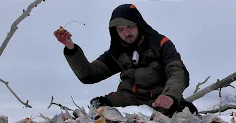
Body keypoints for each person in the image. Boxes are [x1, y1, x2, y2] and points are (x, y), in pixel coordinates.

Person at [53, 4, 198, 117]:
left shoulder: (161, 43)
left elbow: (178, 72)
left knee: (189, 112)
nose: (126, 33)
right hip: (127, 99)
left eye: (129, 27)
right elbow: (89, 76)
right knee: (97, 104)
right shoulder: (116, 51)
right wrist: (71, 49)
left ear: (139, 25)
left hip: (159, 100)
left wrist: (170, 95)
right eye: (120, 29)